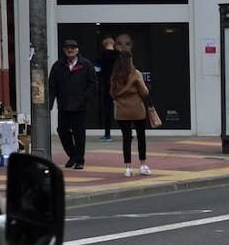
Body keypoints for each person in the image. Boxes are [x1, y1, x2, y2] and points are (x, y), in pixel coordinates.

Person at [47, 39, 97, 170]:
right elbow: (52, 86)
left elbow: (93, 83)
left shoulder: (86, 64)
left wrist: (86, 97)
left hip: (80, 106)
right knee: (62, 131)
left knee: (79, 134)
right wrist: (50, 104)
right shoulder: (57, 66)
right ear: (64, 50)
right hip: (64, 105)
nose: (70, 50)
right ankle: (73, 155)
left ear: (77, 50)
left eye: (73, 48)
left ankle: (79, 160)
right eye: (67, 48)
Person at [109, 50, 152, 177]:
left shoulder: (115, 75)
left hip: (122, 111)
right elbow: (144, 92)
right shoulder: (136, 74)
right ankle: (143, 165)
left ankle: (128, 167)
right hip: (137, 109)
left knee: (126, 138)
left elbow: (112, 93)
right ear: (130, 59)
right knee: (141, 137)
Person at [95, 37, 119, 141]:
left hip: (107, 84)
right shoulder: (119, 55)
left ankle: (107, 134)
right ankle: (127, 132)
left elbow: (97, 70)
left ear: (104, 44)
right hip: (119, 85)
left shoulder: (101, 55)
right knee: (123, 107)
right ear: (113, 44)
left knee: (107, 109)